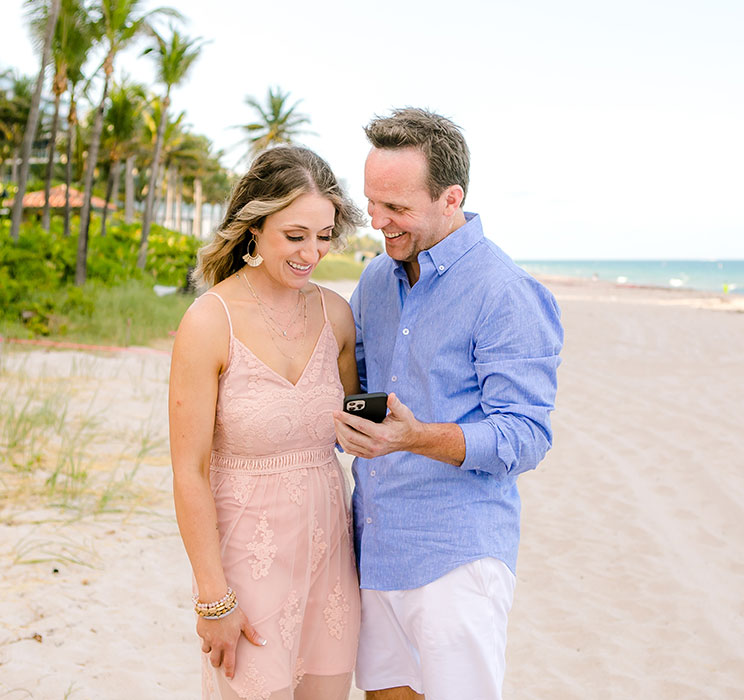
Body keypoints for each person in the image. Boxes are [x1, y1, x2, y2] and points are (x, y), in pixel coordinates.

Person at [333, 108, 564, 700]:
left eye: (397, 208)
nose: (378, 222)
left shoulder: (505, 292)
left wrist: (416, 437)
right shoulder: (376, 281)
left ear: (450, 198)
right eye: (372, 204)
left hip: (456, 557)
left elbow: (523, 437)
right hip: (374, 546)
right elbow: (356, 393)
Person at [169, 146, 364, 700]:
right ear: (254, 228)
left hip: (330, 558)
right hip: (246, 564)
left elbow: (356, 424)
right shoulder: (210, 320)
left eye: (324, 236)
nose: (313, 253)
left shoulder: (336, 315)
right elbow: (189, 471)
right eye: (295, 235)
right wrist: (213, 599)